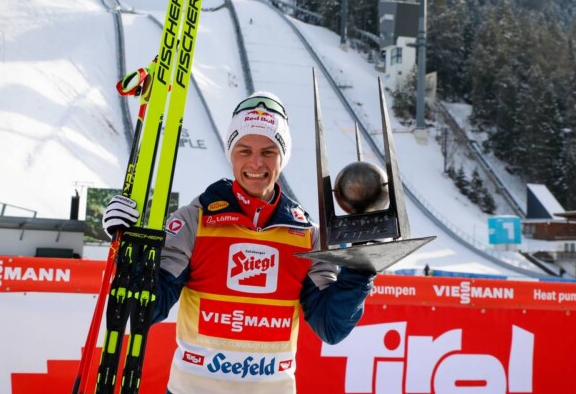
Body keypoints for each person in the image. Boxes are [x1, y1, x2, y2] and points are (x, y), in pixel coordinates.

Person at [103, 91, 376, 393]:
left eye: (269, 151)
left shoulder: (307, 236)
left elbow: (332, 327)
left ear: (282, 158)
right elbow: (144, 310)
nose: (256, 163)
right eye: (244, 150)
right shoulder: (195, 221)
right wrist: (129, 248)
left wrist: (361, 266)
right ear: (230, 153)